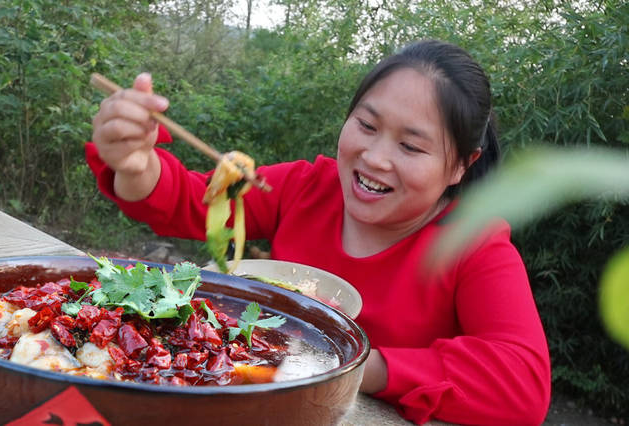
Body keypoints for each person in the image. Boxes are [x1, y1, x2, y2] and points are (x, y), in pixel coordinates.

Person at [86, 39, 551, 424]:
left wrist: (353, 367)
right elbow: (193, 203)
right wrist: (136, 164)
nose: (374, 157)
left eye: (410, 145)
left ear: (461, 166)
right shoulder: (307, 187)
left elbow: (523, 382)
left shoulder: (474, 243)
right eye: (366, 125)